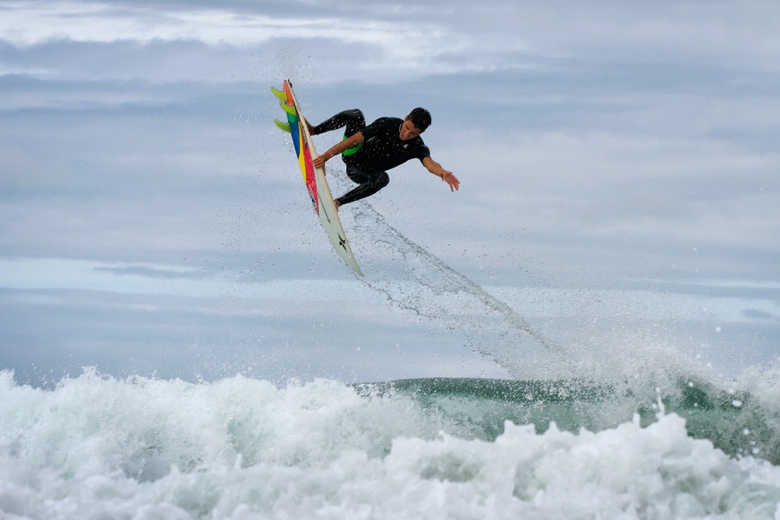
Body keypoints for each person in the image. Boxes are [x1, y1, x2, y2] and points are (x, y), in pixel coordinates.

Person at [309, 108, 459, 209]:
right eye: (407, 127)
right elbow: (353, 140)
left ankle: (337, 202)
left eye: (413, 133)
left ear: (421, 133)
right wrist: (325, 157)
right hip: (353, 154)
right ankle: (314, 130)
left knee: (383, 179)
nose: (407, 134)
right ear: (405, 118)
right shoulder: (387, 124)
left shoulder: (417, 146)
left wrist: (442, 173)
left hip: (362, 172)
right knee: (355, 115)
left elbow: (429, 163)